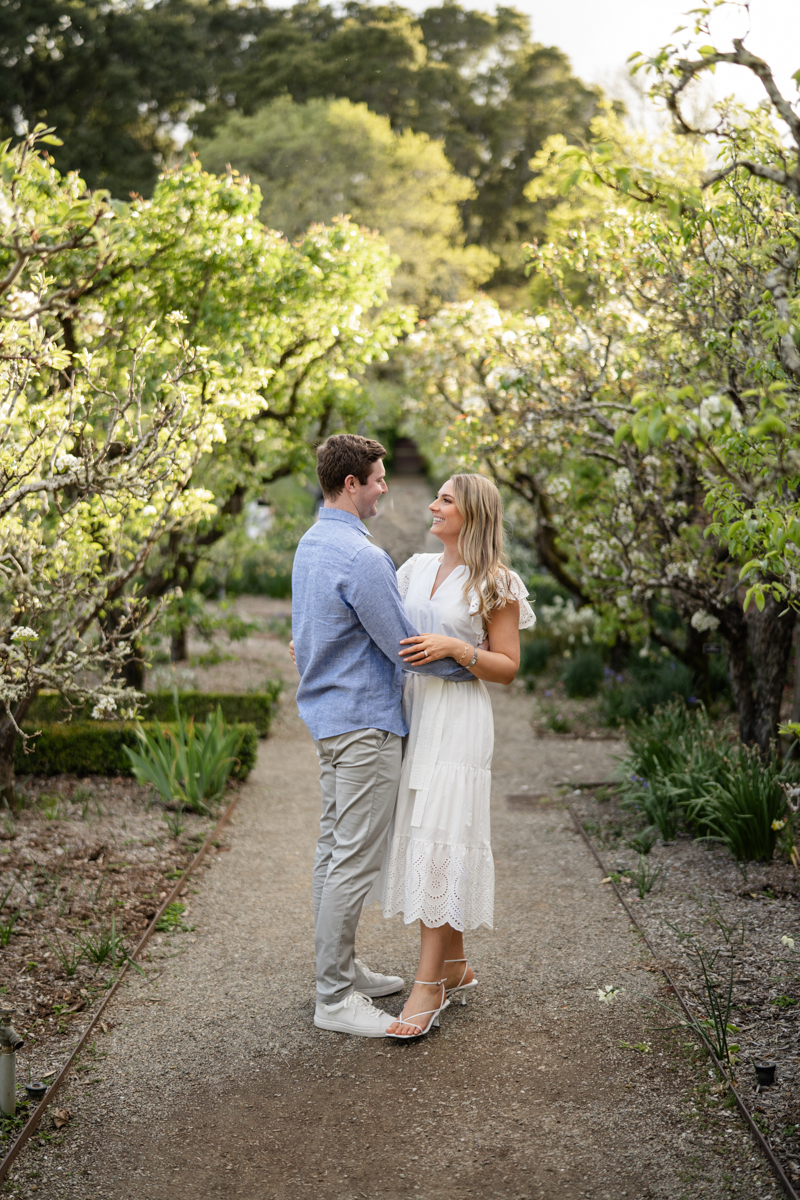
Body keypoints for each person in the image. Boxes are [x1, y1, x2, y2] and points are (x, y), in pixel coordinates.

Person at [291, 435, 473, 1038]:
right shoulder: (363, 559)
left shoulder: (311, 544)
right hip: (365, 726)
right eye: (377, 478)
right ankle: (333, 997)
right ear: (351, 485)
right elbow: (405, 647)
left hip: (330, 721)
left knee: (331, 850)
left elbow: (313, 636)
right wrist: (471, 663)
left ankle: (338, 971)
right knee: (351, 860)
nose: (385, 487)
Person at [379, 474, 535, 1040]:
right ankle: (456, 964)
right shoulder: (414, 569)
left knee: (440, 834)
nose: (432, 505)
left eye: (445, 499)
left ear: (472, 513)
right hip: (416, 712)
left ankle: (427, 987)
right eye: (437, 497)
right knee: (424, 829)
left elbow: (509, 667)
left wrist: (458, 648)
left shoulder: (498, 581)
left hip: (461, 718)